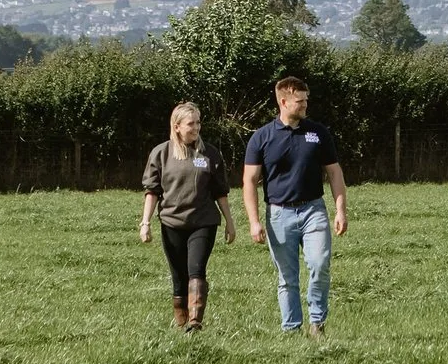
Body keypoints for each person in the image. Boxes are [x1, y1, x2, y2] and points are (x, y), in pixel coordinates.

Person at [241, 76, 348, 338]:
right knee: (287, 276)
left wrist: (341, 210)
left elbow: (334, 173)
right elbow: (249, 181)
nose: (305, 105)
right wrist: (254, 221)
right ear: (283, 101)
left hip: (314, 210)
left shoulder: (318, 133)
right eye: (300, 101)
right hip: (278, 214)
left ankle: (317, 323)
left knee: (320, 263)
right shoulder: (261, 137)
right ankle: (291, 329)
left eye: (306, 100)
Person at [140, 101, 232, 332]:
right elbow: (152, 191)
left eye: (198, 122)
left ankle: (195, 321)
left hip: (203, 222)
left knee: (196, 270)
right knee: (178, 275)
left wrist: (230, 222)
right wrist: (145, 222)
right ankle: (181, 323)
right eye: (191, 123)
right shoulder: (161, 153)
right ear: (177, 126)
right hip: (171, 223)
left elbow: (220, 192)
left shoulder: (210, 153)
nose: (196, 128)